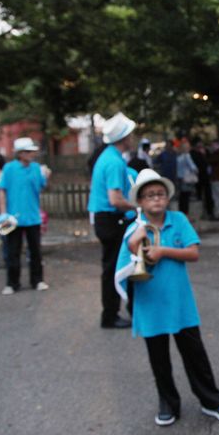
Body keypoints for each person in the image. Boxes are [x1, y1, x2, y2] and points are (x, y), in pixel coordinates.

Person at [114, 169, 219, 426]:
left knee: (195, 354)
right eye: (149, 196)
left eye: (160, 194)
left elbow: (193, 253)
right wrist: (134, 242)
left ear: (167, 197)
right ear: (140, 202)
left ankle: (212, 401)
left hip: (180, 301)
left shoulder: (179, 219)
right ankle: (168, 403)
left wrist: (162, 251)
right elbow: (125, 263)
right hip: (150, 303)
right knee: (158, 359)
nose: (156, 200)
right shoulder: (134, 228)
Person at [88, 112, 137, 329]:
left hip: (105, 219)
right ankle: (110, 315)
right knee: (115, 267)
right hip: (111, 220)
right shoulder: (114, 162)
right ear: (124, 137)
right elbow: (115, 199)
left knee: (114, 266)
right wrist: (137, 206)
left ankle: (117, 311)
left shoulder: (107, 156)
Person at [0, 137, 51, 295]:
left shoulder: (36, 168)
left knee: (35, 251)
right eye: (28, 151)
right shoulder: (9, 168)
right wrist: (2, 212)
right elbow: (2, 190)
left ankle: (38, 280)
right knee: (12, 251)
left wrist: (47, 177)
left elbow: (42, 187)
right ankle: (12, 283)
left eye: (32, 151)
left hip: (33, 216)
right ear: (19, 153)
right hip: (12, 218)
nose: (31, 154)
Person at [191, 139, 213, 218]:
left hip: (206, 177)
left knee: (208, 195)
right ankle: (201, 213)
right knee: (199, 195)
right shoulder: (193, 153)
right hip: (198, 177)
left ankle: (210, 212)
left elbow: (210, 162)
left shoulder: (206, 152)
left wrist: (204, 155)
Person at [175, 142, 198, 215]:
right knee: (186, 197)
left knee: (181, 197)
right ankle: (186, 214)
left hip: (179, 178)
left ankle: (181, 213)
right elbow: (193, 167)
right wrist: (196, 171)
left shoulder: (179, 156)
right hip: (186, 179)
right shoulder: (187, 156)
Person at [207, 140, 219, 221]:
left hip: (216, 178)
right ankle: (217, 213)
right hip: (216, 177)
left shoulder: (218, 153)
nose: (212, 146)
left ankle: (217, 214)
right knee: (216, 196)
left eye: (213, 145)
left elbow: (210, 160)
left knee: (217, 196)